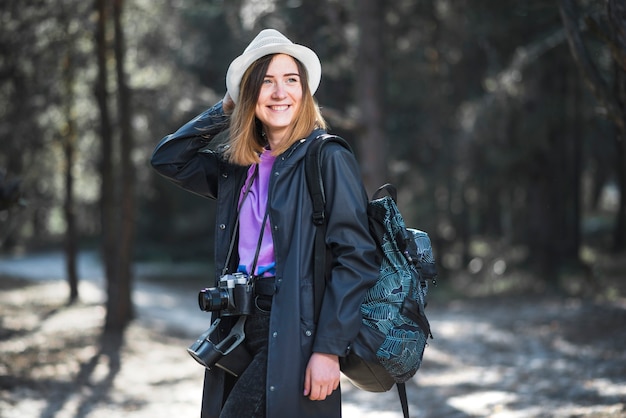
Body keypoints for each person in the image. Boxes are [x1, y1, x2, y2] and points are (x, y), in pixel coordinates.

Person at [151, 28, 379, 418]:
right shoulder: (238, 167)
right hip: (238, 325)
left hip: (295, 325)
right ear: (249, 94)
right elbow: (169, 158)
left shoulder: (325, 157)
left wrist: (328, 348)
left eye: (291, 80)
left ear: (305, 92)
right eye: (266, 82)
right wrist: (225, 106)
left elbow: (357, 259)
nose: (280, 92)